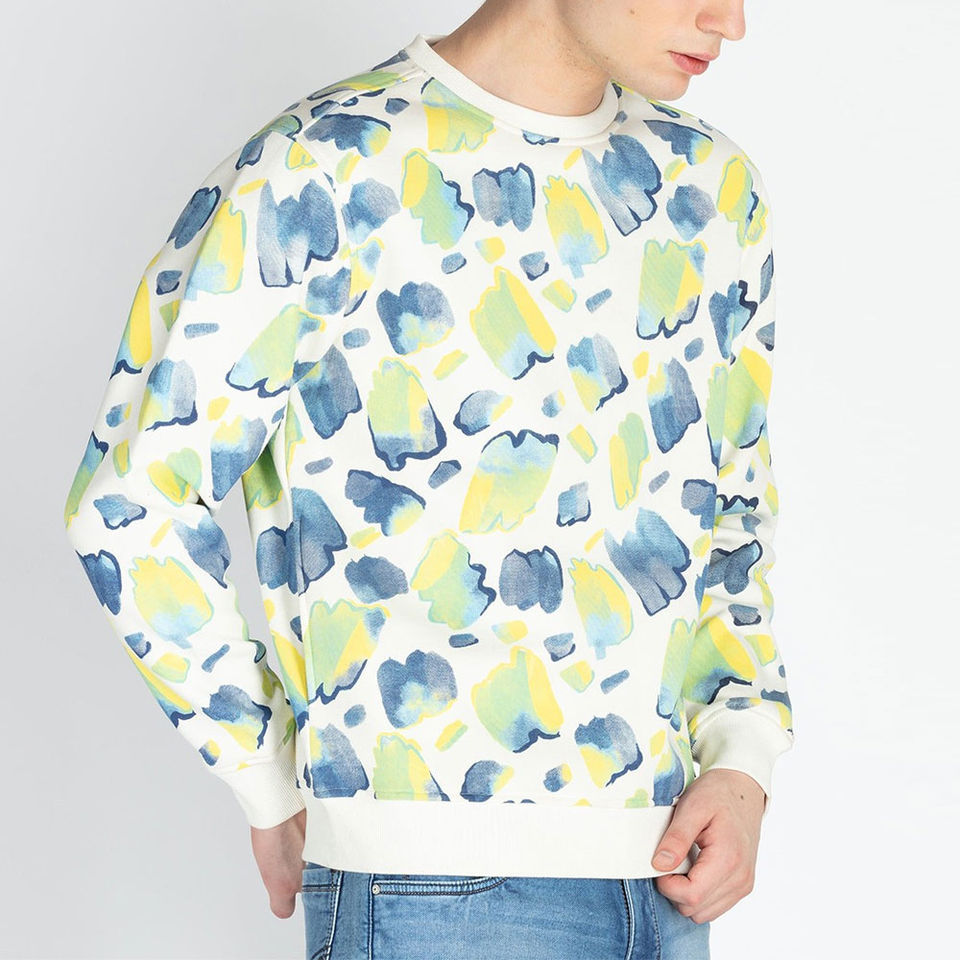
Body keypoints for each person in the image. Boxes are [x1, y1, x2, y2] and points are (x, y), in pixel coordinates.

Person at [62, 1, 795, 956]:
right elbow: (133, 505)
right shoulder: (324, 164)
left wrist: (742, 761)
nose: (729, 20)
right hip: (427, 893)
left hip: (666, 881)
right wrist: (266, 777)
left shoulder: (711, 187)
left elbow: (729, 510)